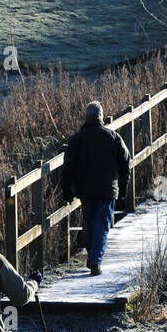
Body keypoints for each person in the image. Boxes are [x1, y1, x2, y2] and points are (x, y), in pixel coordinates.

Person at [60, 101, 131, 276]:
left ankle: (93, 255)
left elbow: (67, 167)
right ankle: (95, 260)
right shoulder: (113, 137)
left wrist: (67, 191)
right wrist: (123, 190)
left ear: (86, 117)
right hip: (107, 189)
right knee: (102, 225)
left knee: (90, 223)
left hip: (85, 190)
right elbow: (125, 164)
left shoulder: (77, 139)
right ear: (101, 116)